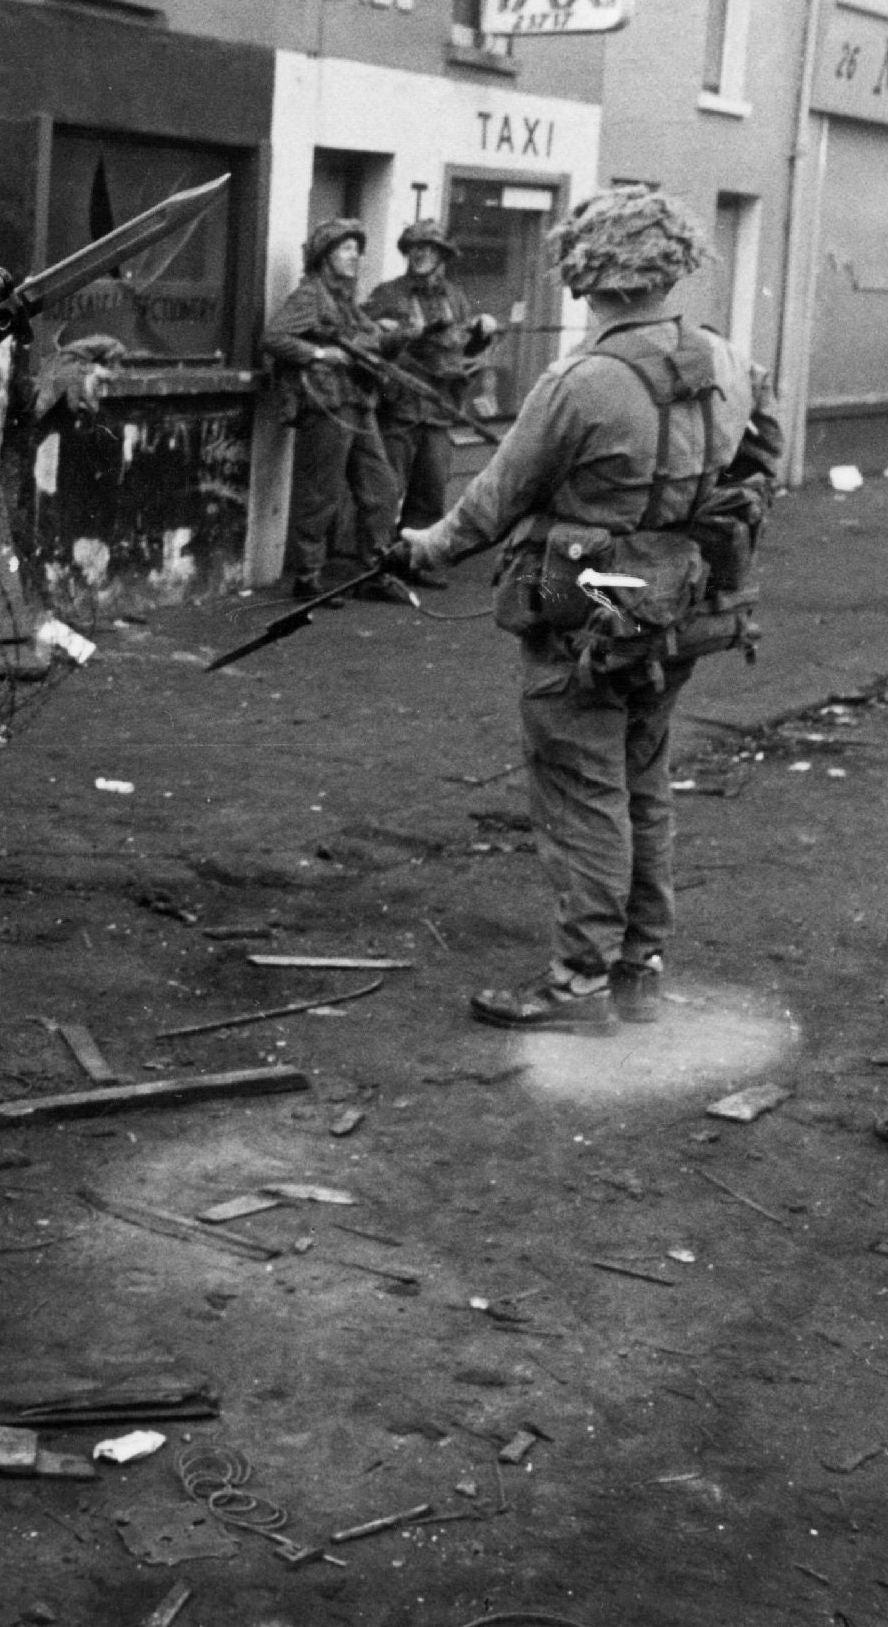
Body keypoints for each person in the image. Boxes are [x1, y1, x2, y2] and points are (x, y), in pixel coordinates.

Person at [400, 189, 781, 1032]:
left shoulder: (580, 382)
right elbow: (763, 460)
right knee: (643, 779)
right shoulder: (723, 359)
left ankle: (577, 979)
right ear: (673, 264)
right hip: (675, 600)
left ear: (583, 274)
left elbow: (490, 504)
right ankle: (636, 967)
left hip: (584, 604)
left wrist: (422, 547)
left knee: (580, 790)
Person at [264, 218, 407, 601]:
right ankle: (308, 576)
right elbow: (274, 337)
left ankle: (376, 571)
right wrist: (319, 353)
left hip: (357, 402)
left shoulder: (344, 298)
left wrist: (392, 334)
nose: (355, 256)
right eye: (346, 249)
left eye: (357, 250)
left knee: (381, 486)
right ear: (325, 256)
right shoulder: (310, 295)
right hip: (325, 404)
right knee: (320, 493)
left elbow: (368, 339)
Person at [362, 218, 494, 561]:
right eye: (415, 248)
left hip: (440, 411)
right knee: (387, 491)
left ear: (441, 255)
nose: (420, 255)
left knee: (430, 493)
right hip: (400, 408)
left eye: (429, 249)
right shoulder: (387, 294)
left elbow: (463, 351)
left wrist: (481, 333)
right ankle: (378, 564)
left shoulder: (455, 297)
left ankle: (415, 561)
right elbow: (364, 343)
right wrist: (402, 334)